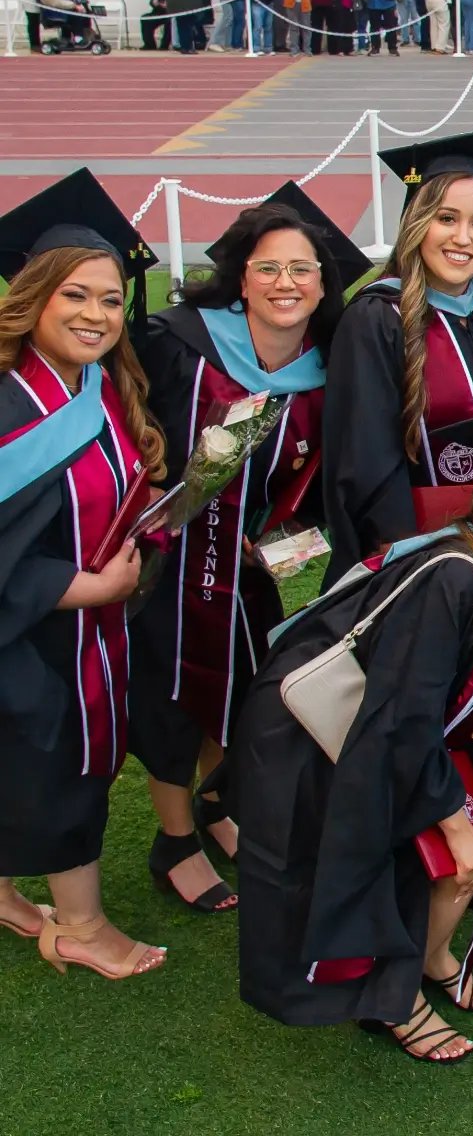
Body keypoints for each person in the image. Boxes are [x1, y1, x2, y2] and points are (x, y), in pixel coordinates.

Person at [230, 403, 473, 1061]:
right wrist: (458, 820)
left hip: (396, 728)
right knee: (440, 858)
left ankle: (430, 959)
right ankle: (393, 1002)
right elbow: (401, 718)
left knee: (470, 853)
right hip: (318, 740)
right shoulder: (457, 576)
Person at [127, 186, 367, 914]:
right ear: (241, 276)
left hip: (261, 571)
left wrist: (287, 558)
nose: (286, 284)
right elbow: (135, 435)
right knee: (173, 699)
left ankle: (218, 805)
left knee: (241, 694)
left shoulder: (327, 372)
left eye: (303, 270)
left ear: (325, 284)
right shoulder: (182, 344)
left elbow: (326, 488)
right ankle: (174, 841)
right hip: (171, 565)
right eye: (269, 268)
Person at [0, 169, 168, 980]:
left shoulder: (94, 388)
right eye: (76, 295)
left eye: (110, 299)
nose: (96, 315)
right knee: (57, 768)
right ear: (33, 296)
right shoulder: (6, 404)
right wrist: (84, 589)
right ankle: (79, 926)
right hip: (35, 634)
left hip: (85, 630)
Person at [323, 133, 473, 578]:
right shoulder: (378, 318)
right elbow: (366, 463)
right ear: (417, 222)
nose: (463, 238)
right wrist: (415, 558)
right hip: (423, 558)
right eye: (446, 218)